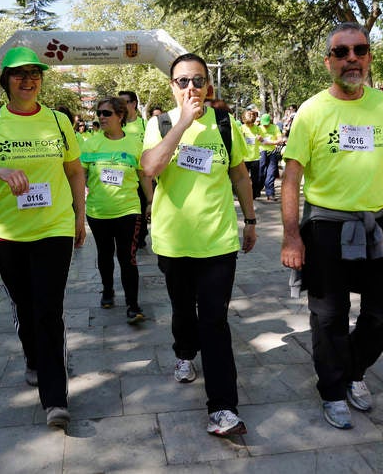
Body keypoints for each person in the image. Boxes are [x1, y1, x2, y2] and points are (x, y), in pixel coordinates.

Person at [280, 22, 383, 430]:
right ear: (328, 61)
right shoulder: (312, 110)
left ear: (369, 57)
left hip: (381, 223)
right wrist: (292, 235)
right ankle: (331, 390)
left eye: (359, 50)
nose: (351, 59)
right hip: (326, 227)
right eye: (341, 52)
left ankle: (352, 371)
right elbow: (291, 177)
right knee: (329, 316)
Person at [0, 46, 85, 430]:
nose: (28, 80)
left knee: (48, 309)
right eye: (19, 74)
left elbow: (75, 171)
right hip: (7, 233)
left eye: (35, 74)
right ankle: (33, 357)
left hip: (54, 227)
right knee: (25, 308)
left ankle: (55, 397)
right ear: (6, 81)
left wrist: (79, 216)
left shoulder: (59, 121)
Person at [140, 52, 257, 437]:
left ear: (209, 85)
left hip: (218, 241)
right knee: (182, 311)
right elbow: (151, 168)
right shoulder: (159, 124)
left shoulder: (226, 124)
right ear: (172, 87)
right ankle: (183, 352)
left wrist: (251, 220)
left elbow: (240, 175)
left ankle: (222, 408)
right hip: (174, 241)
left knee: (215, 320)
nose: (192, 88)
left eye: (198, 80)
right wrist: (184, 122)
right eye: (183, 81)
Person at [81, 97, 153, 322]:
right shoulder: (90, 143)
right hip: (97, 211)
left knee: (127, 258)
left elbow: (143, 175)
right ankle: (108, 290)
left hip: (128, 211)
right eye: (99, 113)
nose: (101, 117)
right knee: (104, 255)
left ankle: (133, 304)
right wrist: (78, 204)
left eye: (106, 113)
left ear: (120, 116)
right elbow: (80, 176)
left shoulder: (133, 143)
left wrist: (151, 201)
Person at [118, 90, 150, 249]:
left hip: (144, 177)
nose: (121, 106)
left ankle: (141, 235)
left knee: (143, 209)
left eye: (124, 102)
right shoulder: (116, 125)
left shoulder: (146, 125)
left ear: (133, 104)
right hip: (124, 178)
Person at [257, 113, 283, 201]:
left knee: (271, 173)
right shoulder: (258, 128)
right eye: (263, 123)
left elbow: (280, 140)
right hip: (261, 152)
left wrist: (268, 142)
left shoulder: (275, 127)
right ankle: (257, 190)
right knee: (261, 173)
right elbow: (256, 139)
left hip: (272, 152)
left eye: (267, 123)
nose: (265, 125)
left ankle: (270, 194)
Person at [240, 110, 262, 199]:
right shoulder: (241, 128)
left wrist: (260, 138)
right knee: (244, 178)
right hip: (244, 157)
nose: (249, 126)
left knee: (255, 178)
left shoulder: (257, 128)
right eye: (248, 124)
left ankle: (254, 194)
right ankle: (243, 193)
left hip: (255, 157)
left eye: (251, 124)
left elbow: (262, 140)